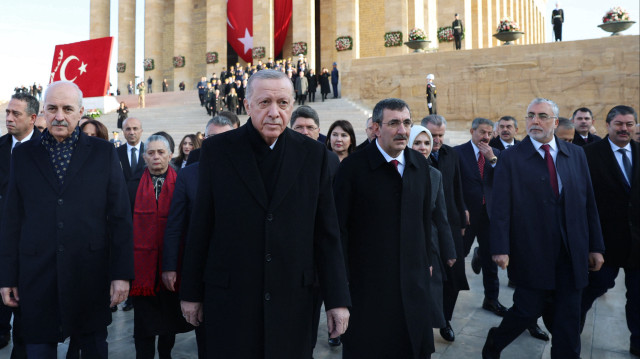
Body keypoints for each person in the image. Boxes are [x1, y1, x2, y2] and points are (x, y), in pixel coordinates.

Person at [179, 69, 351, 358]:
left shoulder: (315, 155)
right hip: (231, 298)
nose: (274, 112)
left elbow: (327, 233)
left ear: (292, 105)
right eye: (264, 103)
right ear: (247, 106)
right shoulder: (217, 151)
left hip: (293, 300)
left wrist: (337, 300)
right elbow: (202, 225)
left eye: (283, 103)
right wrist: (191, 293)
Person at [0, 81, 133, 359]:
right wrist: (8, 276)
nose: (59, 115)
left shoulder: (103, 152)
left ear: (81, 111)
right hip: (37, 276)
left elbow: (120, 217)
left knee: (94, 348)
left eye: (67, 109)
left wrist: (121, 274)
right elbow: (12, 219)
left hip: (90, 274)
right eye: (53, 108)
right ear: (43, 113)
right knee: (36, 350)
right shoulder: (22, 155)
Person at [483, 97, 605, 359]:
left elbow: (589, 204)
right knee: (527, 310)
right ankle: (496, 341)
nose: (534, 121)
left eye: (542, 116)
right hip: (532, 251)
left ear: (556, 122)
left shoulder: (576, 155)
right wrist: (500, 248)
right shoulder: (511, 158)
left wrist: (595, 246)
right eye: (530, 116)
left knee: (568, 320)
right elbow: (501, 207)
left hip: (571, 253)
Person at [333, 98, 435, 359]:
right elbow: (338, 231)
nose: (402, 130)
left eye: (407, 123)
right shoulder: (352, 169)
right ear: (376, 128)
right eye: (394, 123)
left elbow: (425, 220)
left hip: (413, 287)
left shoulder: (420, 165)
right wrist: (339, 289)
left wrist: (427, 262)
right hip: (368, 291)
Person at [162, 117, 235, 359]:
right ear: (204, 140)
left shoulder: (251, 172)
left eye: (226, 137)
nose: (220, 144)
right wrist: (170, 266)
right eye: (213, 138)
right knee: (207, 341)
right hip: (204, 273)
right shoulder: (189, 175)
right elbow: (175, 225)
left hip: (243, 274)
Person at [128, 135, 193, 359]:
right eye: (151, 153)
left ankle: (165, 354)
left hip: (173, 265)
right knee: (144, 324)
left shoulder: (183, 182)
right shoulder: (132, 186)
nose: (156, 157)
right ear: (144, 156)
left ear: (170, 155)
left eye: (161, 152)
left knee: (169, 320)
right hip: (142, 271)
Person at [581, 105, 639, 357]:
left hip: (637, 243)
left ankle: (637, 341)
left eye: (629, 124)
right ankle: (570, 328)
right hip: (604, 242)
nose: (624, 129)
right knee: (594, 288)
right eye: (619, 124)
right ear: (608, 125)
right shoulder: (588, 155)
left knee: (638, 296)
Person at [421, 114, 469, 342]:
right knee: (433, 278)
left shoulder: (452, 155)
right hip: (428, 229)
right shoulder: (417, 158)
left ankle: (445, 319)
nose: (437, 140)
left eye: (440, 135)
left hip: (450, 225)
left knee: (454, 276)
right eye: (433, 135)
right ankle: (430, 318)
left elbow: (458, 186)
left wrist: (462, 214)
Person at [0, 93, 41, 357]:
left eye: (16, 114)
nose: (9, 118)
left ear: (33, 118)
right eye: (7, 113)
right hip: (2, 239)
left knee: (29, 311)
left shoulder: (46, 147)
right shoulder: (1, 146)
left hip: (32, 243)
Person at [454, 118, 506, 317]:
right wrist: (461, 209)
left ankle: (491, 299)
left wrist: (492, 159)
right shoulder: (457, 153)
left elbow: (504, 180)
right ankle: (448, 298)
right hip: (466, 216)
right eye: (482, 132)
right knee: (458, 257)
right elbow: (454, 184)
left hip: (490, 216)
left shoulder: (497, 155)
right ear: (472, 131)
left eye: (490, 133)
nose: (486, 137)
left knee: (491, 259)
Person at [409, 125, 457, 333]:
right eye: (417, 142)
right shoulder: (399, 172)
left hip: (430, 244)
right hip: (405, 242)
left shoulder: (435, 175)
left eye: (426, 143)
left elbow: (441, 215)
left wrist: (449, 250)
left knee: (430, 298)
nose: (423, 147)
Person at [118, 118, 146, 185]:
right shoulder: (116, 152)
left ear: (141, 131)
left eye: (135, 129)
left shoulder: (149, 151)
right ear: (123, 131)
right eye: (128, 129)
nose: (132, 132)